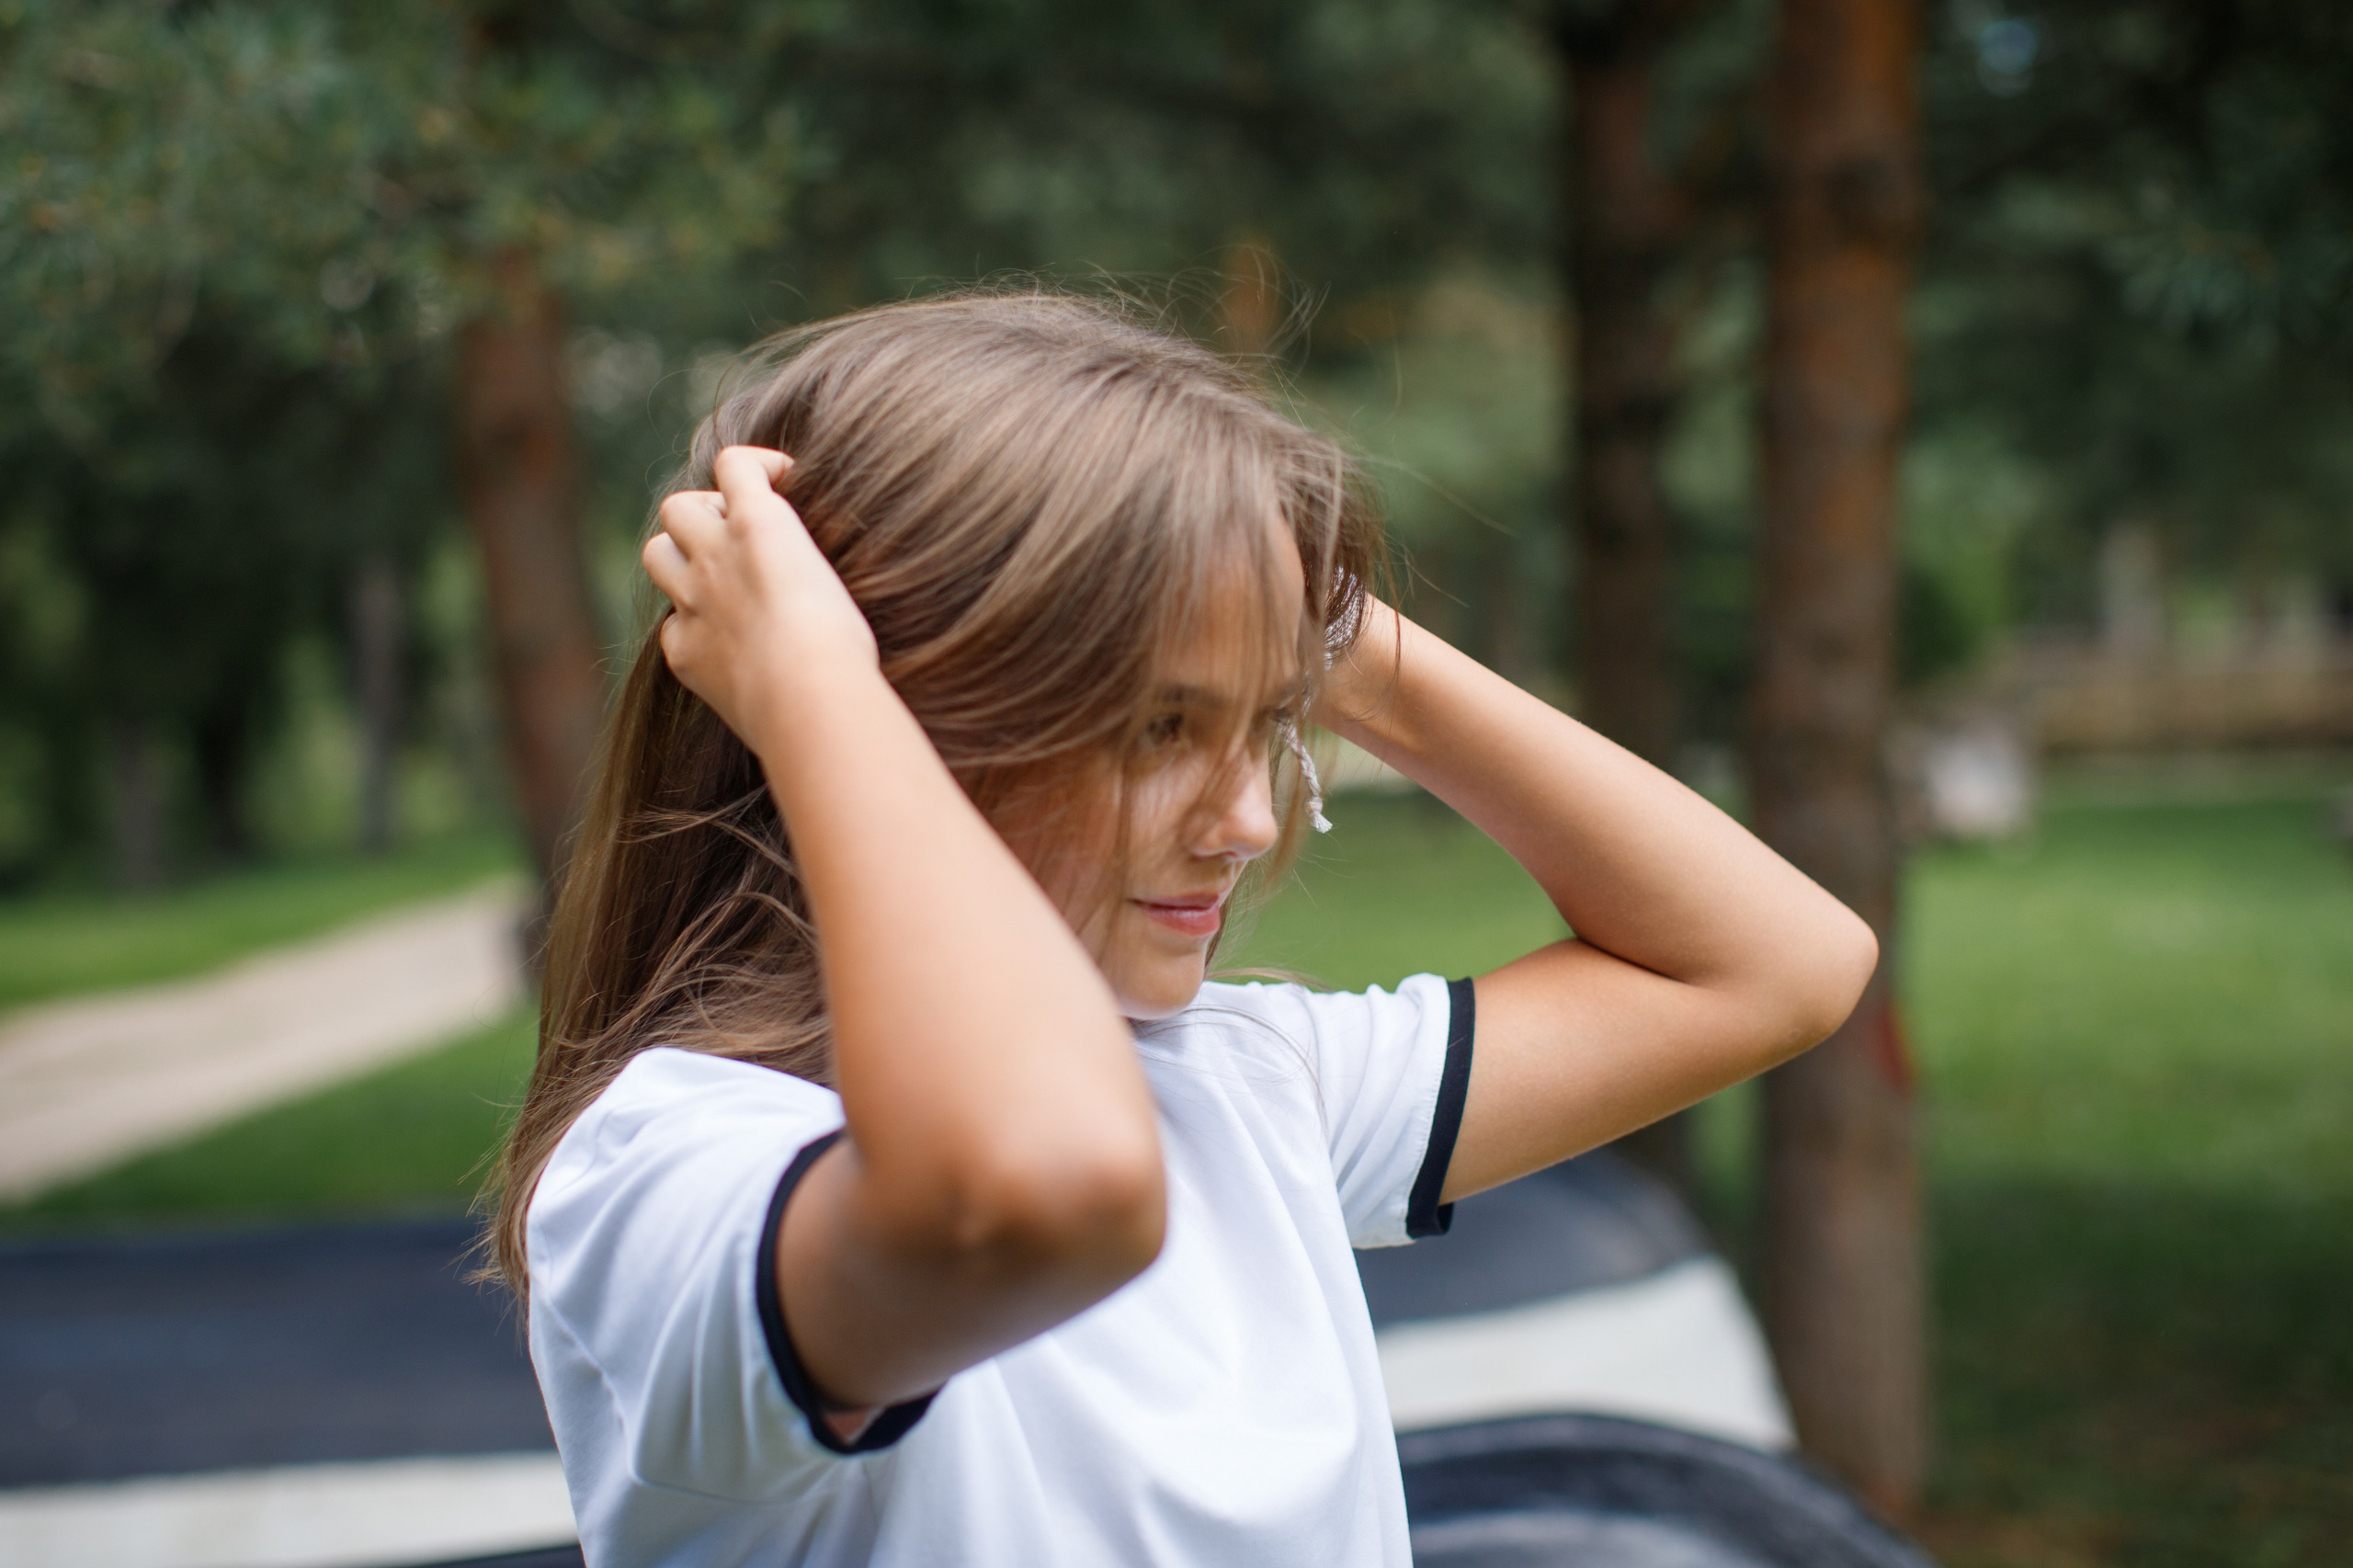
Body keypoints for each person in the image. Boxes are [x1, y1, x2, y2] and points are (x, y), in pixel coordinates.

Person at [486, 291, 1878, 1568]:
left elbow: (1775, 962)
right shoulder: (673, 1177)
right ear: (883, 712)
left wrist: (1296, 610)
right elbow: (1040, 1189)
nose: (1246, 821)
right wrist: (806, 691)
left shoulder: (1239, 1083)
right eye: (1158, 725)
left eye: (1264, 725)